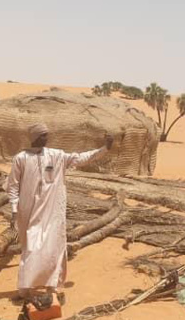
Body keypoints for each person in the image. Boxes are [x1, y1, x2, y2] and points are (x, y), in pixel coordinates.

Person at [7, 123, 113, 301]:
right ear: (33, 137)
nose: (45, 138)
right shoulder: (21, 158)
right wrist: (14, 209)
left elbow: (80, 159)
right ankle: (25, 287)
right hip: (29, 211)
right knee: (31, 246)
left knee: (54, 247)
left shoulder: (57, 155)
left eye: (46, 135)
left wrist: (104, 148)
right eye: (42, 135)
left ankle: (52, 285)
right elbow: (13, 186)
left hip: (53, 210)